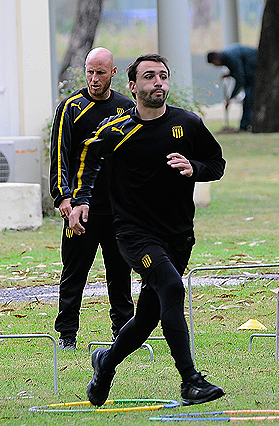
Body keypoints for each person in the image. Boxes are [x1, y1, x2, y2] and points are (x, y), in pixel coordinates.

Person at [69, 53, 226, 406]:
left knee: (147, 318)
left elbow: (217, 164)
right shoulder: (117, 130)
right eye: (150, 76)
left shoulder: (188, 124)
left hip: (178, 235)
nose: (158, 82)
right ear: (133, 86)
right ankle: (190, 381)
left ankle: (105, 364)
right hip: (133, 233)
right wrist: (80, 199)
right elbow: (87, 158)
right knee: (172, 287)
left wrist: (194, 166)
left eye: (163, 76)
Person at [49, 47, 135, 351]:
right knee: (74, 273)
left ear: (113, 73)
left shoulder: (127, 108)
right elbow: (60, 155)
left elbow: (131, 159)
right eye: (89, 72)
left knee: (120, 273)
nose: (94, 78)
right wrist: (63, 199)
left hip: (117, 210)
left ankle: (124, 333)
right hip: (80, 209)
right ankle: (67, 335)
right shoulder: (70, 107)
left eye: (100, 72)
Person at [206, 44, 257, 131]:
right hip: (248, 68)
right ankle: (245, 125)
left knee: (249, 98)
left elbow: (240, 79)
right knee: (248, 98)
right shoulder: (227, 57)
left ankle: (245, 126)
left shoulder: (230, 57)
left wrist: (230, 97)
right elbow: (237, 70)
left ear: (216, 60)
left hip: (253, 66)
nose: (215, 66)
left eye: (214, 64)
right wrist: (230, 74)